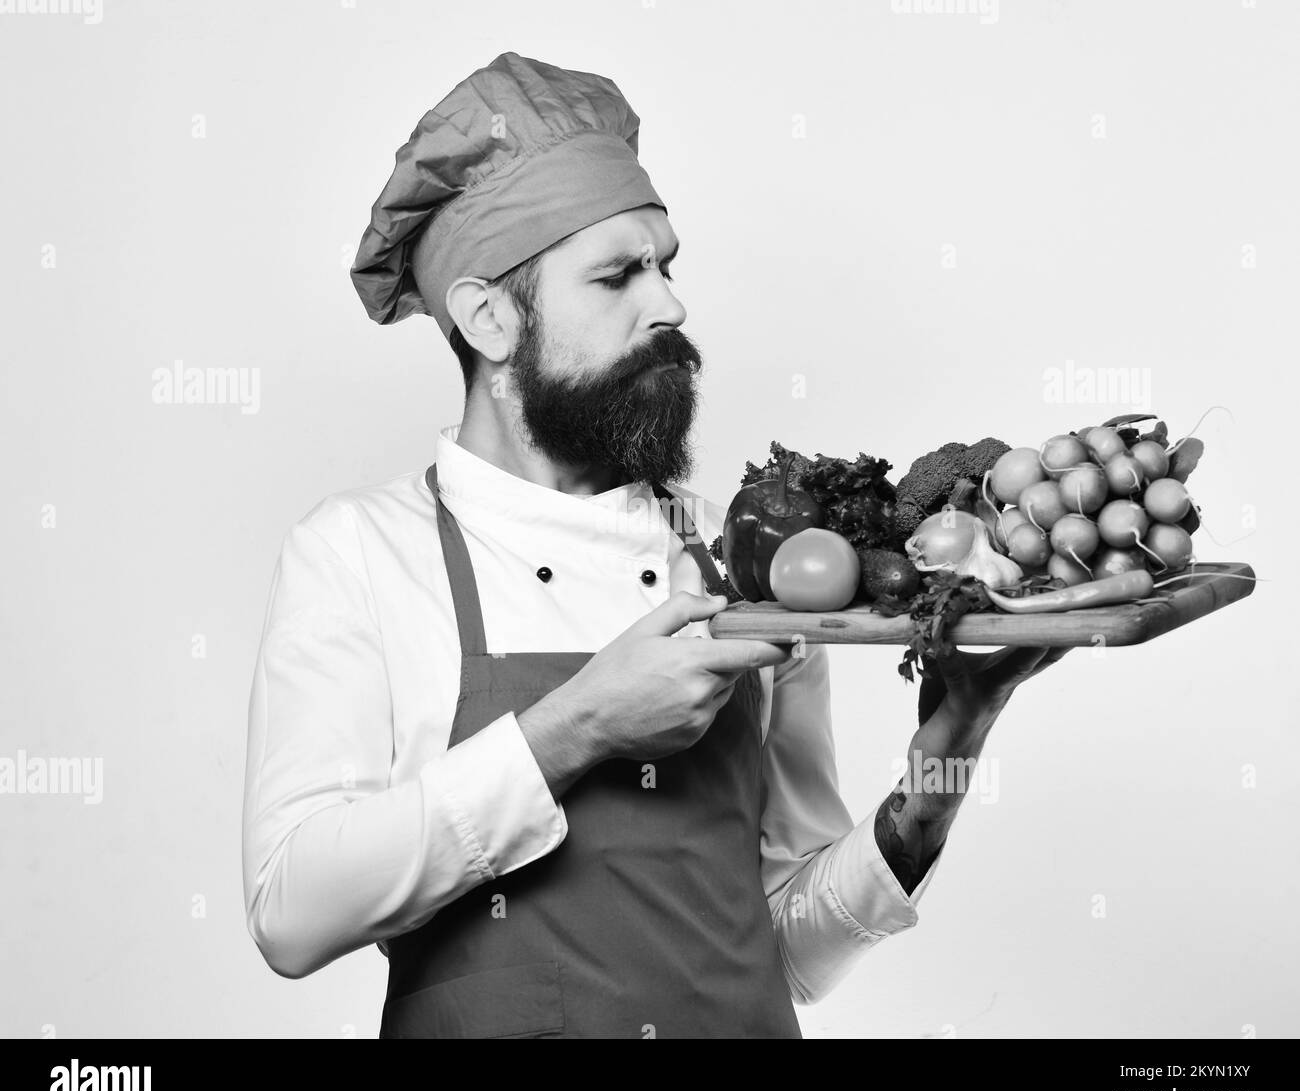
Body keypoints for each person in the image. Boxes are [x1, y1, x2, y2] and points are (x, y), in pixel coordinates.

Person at [241, 50, 1066, 1039]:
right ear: (491, 318)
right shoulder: (364, 556)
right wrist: (578, 726)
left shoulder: (747, 563)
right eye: (618, 274)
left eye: (667, 264)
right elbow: (290, 910)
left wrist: (947, 750)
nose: (670, 304)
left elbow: (789, 949)